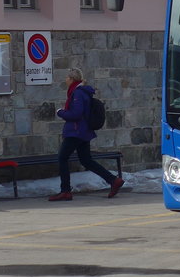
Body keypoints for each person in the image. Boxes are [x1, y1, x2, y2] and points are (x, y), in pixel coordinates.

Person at [48, 67, 125, 201]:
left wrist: (61, 112)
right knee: (86, 160)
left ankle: (65, 190)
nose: (65, 79)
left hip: (76, 131)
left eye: (67, 77)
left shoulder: (77, 93)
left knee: (62, 158)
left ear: (72, 79)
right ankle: (113, 180)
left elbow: (76, 114)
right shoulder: (81, 92)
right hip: (83, 131)